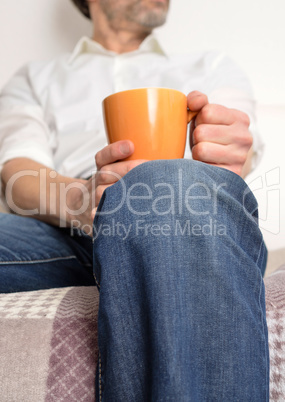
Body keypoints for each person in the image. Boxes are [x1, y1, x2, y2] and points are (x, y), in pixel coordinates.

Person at [0, 0, 269, 400]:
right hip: (64, 231)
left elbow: (236, 151)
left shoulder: (211, 65)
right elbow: (18, 170)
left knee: (166, 184)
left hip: (179, 217)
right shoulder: (37, 78)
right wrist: (81, 200)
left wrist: (226, 149)